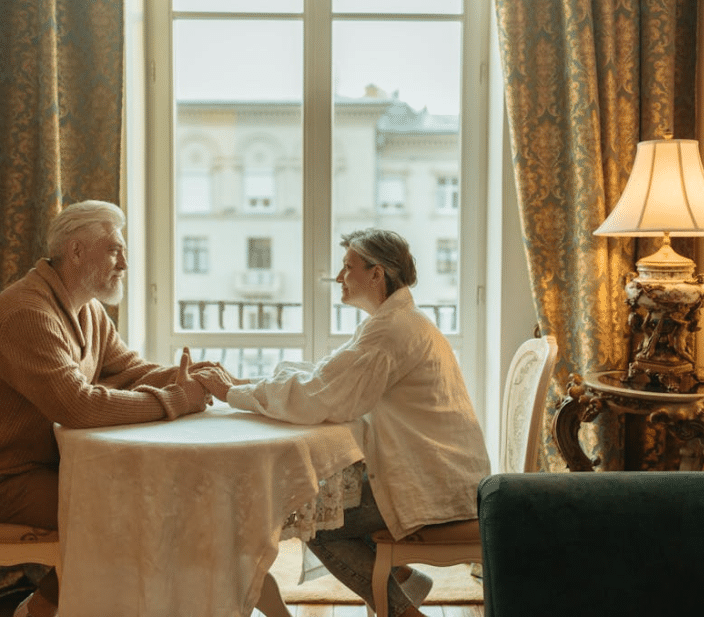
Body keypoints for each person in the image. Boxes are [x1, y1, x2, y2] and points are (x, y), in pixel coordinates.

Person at [0, 200, 225, 617]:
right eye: (114, 250)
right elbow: (78, 406)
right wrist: (178, 400)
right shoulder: (26, 313)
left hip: (41, 467)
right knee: (124, 511)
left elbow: (128, 371)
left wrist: (196, 376)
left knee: (143, 502)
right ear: (75, 252)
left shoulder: (87, 309)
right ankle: (40, 611)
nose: (124, 263)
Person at [201, 228, 491, 617]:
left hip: (432, 482)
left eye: (347, 267)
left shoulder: (391, 330)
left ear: (377, 274)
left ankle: (403, 608)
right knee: (317, 502)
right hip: (436, 471)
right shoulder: (396, 320)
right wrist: (248, 387)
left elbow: (323, 395)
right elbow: (327, 377)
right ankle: (402, 580)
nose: (339, 277)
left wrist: (233, 393)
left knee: (318, 518)